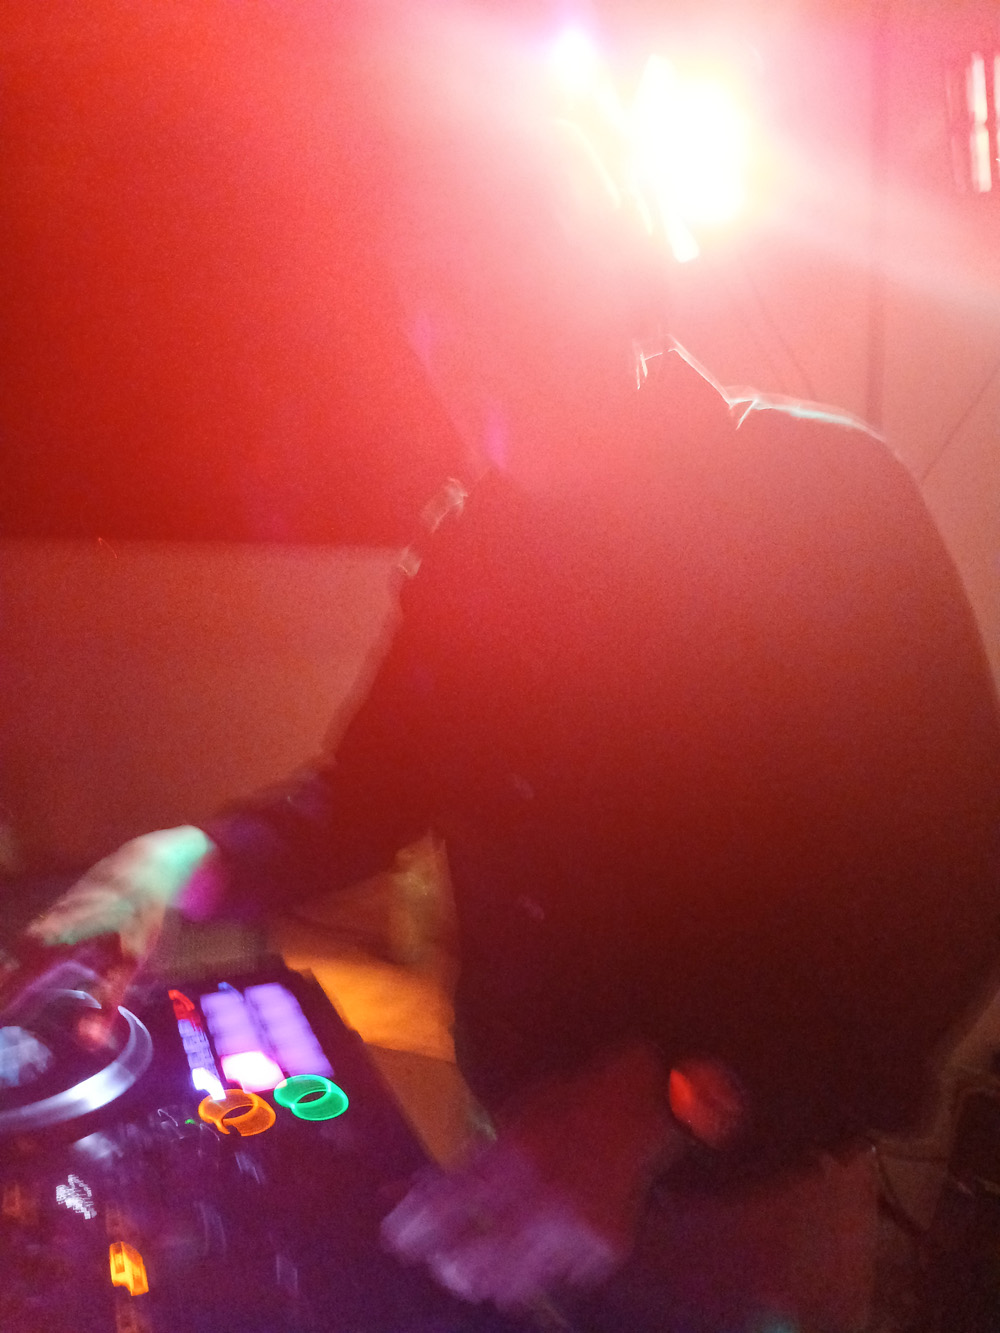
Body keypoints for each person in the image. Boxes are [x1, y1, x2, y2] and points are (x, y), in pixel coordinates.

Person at [26, 333, 1000, 1330]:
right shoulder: (478, 544)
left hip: (740, 1215)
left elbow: (944, 897)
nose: (466, 354)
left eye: (504, 288)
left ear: (626, 291)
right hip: (511, 1163)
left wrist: (658, 1103)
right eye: (432, 311)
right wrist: (197, 858)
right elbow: (367, 792)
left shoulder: (826, 495)